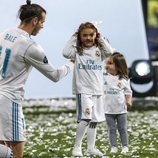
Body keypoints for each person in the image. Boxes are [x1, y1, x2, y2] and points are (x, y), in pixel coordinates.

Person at [0, 0, 73, 157]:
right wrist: (72, 64)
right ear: (34, 20)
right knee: (14, 154)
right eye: (42, 22)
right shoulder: (29, 46)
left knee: (4, 148)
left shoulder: (4, 33)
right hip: (9, 101)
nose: (42, 26)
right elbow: (55, 75)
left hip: (3, 97)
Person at [63, 22, 115, 157]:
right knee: (85, 118)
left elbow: (110, 52)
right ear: (79, 37)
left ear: (95, 35)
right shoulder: (77, 51)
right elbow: (64, 53)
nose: (88, 38)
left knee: (94, 120)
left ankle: (91, 148)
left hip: (97, 90)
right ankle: (77, 147)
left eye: (91, 35)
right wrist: (73, 38)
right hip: (83, 90)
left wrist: (101, 38)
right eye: (84, 35)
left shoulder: (99, 51)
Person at [103, 52, 132, 155]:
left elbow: (128, 92)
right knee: (111, 129)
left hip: (121, 110)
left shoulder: (124, 79)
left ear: (118, 66)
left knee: (122, 129)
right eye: (107, 63)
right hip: (108, 110)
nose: (106, 65)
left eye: (110, 63)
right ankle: (114, 147)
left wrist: (128, 101)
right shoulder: (103, 77)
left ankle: (125, 146)